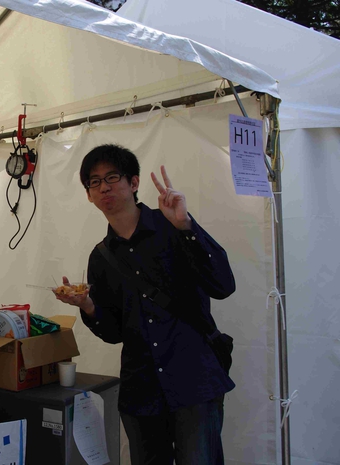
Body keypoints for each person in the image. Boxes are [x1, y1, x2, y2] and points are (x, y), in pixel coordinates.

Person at [55, 144, 236, 465]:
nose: (104, 187)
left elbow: (224, 286)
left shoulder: (174, 227)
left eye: (112, 177)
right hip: (141, 390)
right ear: (89, 195)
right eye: (94, 182)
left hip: (194, 379)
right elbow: (114, 332)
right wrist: (88, 306)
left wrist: (186, 225)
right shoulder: (101, 257)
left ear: (134, 182)